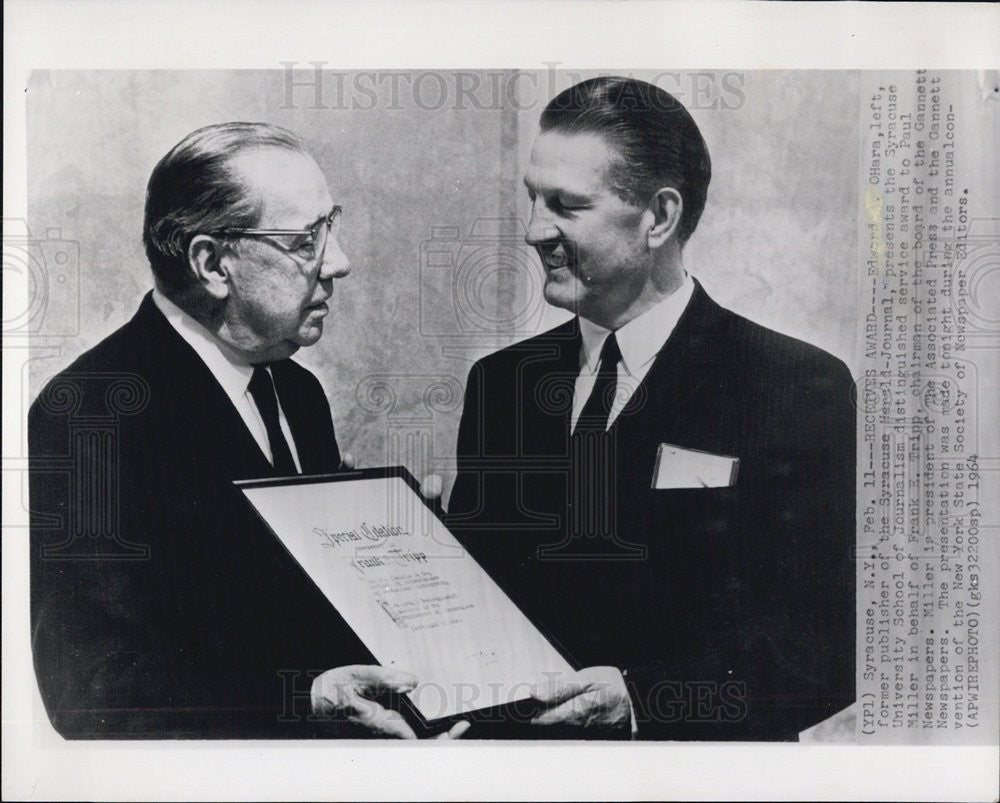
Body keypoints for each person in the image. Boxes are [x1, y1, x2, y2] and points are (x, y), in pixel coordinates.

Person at [448, 77, 856, 740]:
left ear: (659, 218)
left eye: (566, 206)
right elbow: (473, 604)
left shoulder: (797, 386)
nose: (533, 230)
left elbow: (824, 649)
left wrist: (643, 698)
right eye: (532, 200)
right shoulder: (501, 384)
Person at [29, 122, 463, 739]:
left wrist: (401, 553)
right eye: (305, 239)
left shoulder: (297, 392)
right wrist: (303, 700)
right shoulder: (88, 416)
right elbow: (96, 693)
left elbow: (292, 610)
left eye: (330, 227)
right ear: (212, 264)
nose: (339, 262)